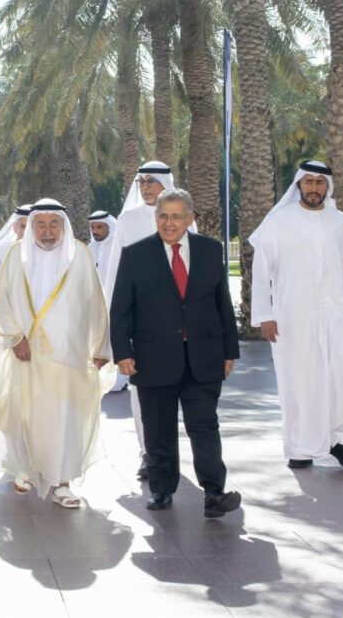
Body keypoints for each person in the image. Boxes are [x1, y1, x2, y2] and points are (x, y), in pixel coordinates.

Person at [110, 188, 241, 518]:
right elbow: (121, 308)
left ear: (190, 219)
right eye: (162, 216)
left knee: (205, 426)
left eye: (176, 217)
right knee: (158, 428)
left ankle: (214, 493)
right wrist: (122, 351)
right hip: (153, 358)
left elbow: (222, 303)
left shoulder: (210, 251)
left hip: (204, 357)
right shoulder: (136, 254)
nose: (168, 223)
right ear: (156, 218)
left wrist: (230, 350)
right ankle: (162, 489)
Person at [0, 199, 111, 509]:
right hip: (26, 353)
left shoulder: (80, 255)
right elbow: (2, 300)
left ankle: (62, 483)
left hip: (70, 353)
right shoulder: (16, 255)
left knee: (65, 418)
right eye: (40, 224)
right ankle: (27, 468)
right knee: (26, 414)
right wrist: (14, 337)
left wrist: (101, 346)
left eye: (54, 224)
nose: (47, 231)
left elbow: (96, 302)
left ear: (63, 225)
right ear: (32, 226)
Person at [249, 161, 343, 470]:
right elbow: (261, 270)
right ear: (299, 185)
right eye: (309, 182)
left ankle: (338, 441)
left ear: (327, 187)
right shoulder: (279, 221)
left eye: (320, 182)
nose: (314, 188)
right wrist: (264, 314)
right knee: (299, 381)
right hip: (292, 316)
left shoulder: (341, 223)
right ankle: (301, 448)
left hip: (337, 315)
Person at [104, 161, 194, 481]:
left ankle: (167, 453)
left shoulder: (183, 218)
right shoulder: (128, 221)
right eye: (141, 182)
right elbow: (115, 271)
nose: (145, 187)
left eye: (151, 182)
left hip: (177, 326)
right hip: (140, 323)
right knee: (140, 394)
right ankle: (148, 454)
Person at [88, 210, 125, 393]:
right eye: (93, 227)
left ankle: (120, 379)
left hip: (116, 301)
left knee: (117, 339)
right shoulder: (90, 248)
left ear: (109, 227)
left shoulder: (119, 248)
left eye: (100, 227)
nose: (96, 231)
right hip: (96, 304)